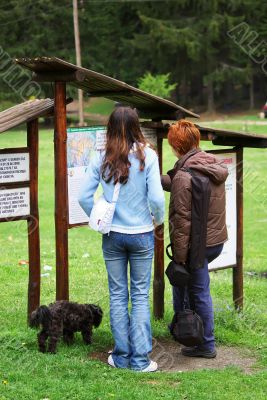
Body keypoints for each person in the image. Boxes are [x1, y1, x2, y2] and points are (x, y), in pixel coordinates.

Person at [78, 106, 165, 371]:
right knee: (139, 295)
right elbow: (157, 199)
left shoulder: (101, 157)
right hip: (141, 234)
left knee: (118, 295)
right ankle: (140, 361)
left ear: (110, 127)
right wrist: (157, 220)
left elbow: (83, 197)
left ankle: (120, 356)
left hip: (113, 235)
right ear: (137, 125)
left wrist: (97, 217)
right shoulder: (147, 156)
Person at [161, 120, 228, 359]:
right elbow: (191, 188)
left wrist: (179, 259)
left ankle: (206, 345)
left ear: (176, 144)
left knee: (198, 292)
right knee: (190, 289)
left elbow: (182, 222)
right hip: (214, 241)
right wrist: (158, 179)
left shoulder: (184, 175)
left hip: (195, 246)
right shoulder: (209, 164)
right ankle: (183, 330)